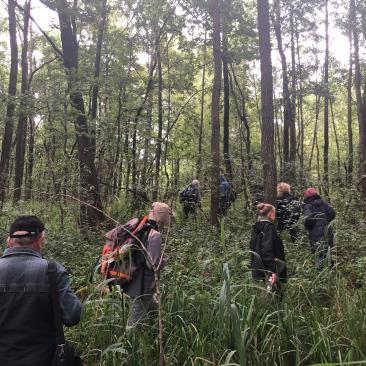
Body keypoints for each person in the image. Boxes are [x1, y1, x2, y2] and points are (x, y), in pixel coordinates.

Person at [0, 215, 82, 366]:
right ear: (40, 239)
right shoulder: (53, 271)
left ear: (9, 241)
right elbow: (72, 316)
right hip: (44, 359)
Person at [124, 202, 171, 330]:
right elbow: (152, 265)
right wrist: (164, 260)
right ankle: (129, 346)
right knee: (134, 325)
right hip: (142, 285)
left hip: (134, 279)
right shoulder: (155, 235)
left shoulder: (141, 226)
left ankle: (158, 330)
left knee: (154, 308)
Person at [249, 203, 287, 291]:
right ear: (270, 213)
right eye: (274, 212)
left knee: (265, 293)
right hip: (269, 270)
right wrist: (273, 271)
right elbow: (267, 249)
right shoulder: (269, 228)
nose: (275, 215)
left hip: (259, 269)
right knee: (273, 296)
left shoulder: (256, 228)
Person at [303, 188, 336, 270]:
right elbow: (332, 213)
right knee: (328, 251)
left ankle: (321, 276)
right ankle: (330, 272)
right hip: (328, 231)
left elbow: (308, 219)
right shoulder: (324, 203)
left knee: (318, 253)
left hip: (315, 233)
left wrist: (308, 227)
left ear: (306, 195)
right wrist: (326, 221)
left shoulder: (308, 205)